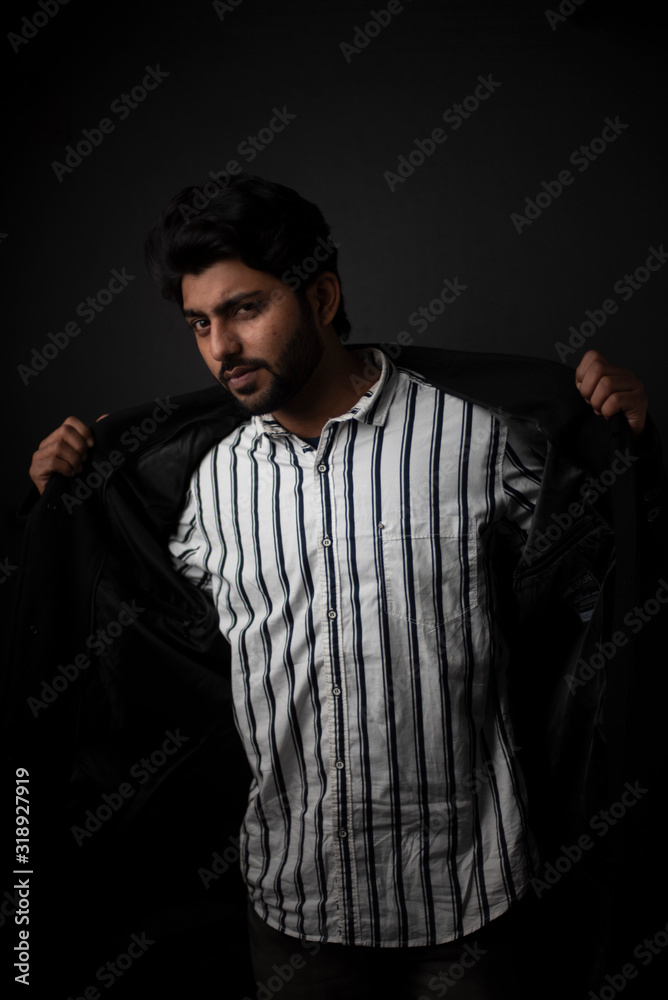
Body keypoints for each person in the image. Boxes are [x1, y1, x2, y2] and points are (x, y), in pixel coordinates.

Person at [20, 175, 663, 998]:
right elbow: (119, 612)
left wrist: (627, 441)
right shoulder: (197, 483)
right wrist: (63, 511)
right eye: (199, 324)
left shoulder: (476, 436)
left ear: (321, 296)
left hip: (471, 910)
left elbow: (605, 547)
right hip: (293, 921)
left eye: (245, 310)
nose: (221, 348)